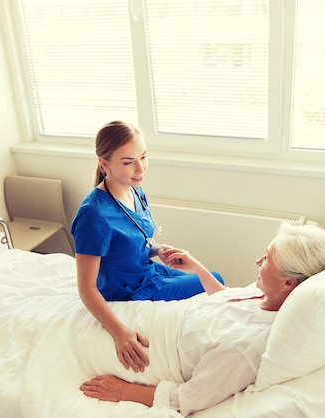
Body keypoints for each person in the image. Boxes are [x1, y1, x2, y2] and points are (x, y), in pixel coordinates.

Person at [79, 222, 325, 416]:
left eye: (267, 258)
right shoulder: (261, 297)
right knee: (83, 315)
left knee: (67, 333)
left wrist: (124, 392)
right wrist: (196, 267)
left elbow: (188, 397)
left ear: (289, 283)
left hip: (150, 351)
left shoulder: (246, 347)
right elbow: (225, 304)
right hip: (160, 316)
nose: (258, 261)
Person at [71, 121, 223, 373]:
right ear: (104, 163)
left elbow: (133, 239)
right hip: (130, 291)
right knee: (214, 281)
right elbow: (86, 289)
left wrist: (157, 250)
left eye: (143, 157)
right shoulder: (93, 216)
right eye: (128, 161)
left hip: (149, 271)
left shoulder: (134, 190)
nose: (140, 169)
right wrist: (120, 332)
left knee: (211, 283)